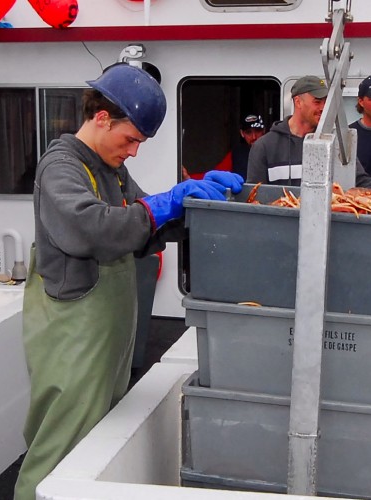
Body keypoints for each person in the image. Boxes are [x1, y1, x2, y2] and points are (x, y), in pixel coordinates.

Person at [17, 64, 242, 499]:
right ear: (102, 117)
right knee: (60, 443)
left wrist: (193, 208)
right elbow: (93, 228)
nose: (134, 151)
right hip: (72, 332)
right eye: (132, 139)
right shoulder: (61, 166)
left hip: (106, 333)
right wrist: (165, 204)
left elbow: (138, 224)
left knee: (93, 439)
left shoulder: (110, 168)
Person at [243, 75, 371, 189]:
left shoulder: (335, 143)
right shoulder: (264, 146)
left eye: (325, 102)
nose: (323, 108)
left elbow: (363, 182)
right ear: (298, 102)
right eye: (317, 102)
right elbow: (256, 198)